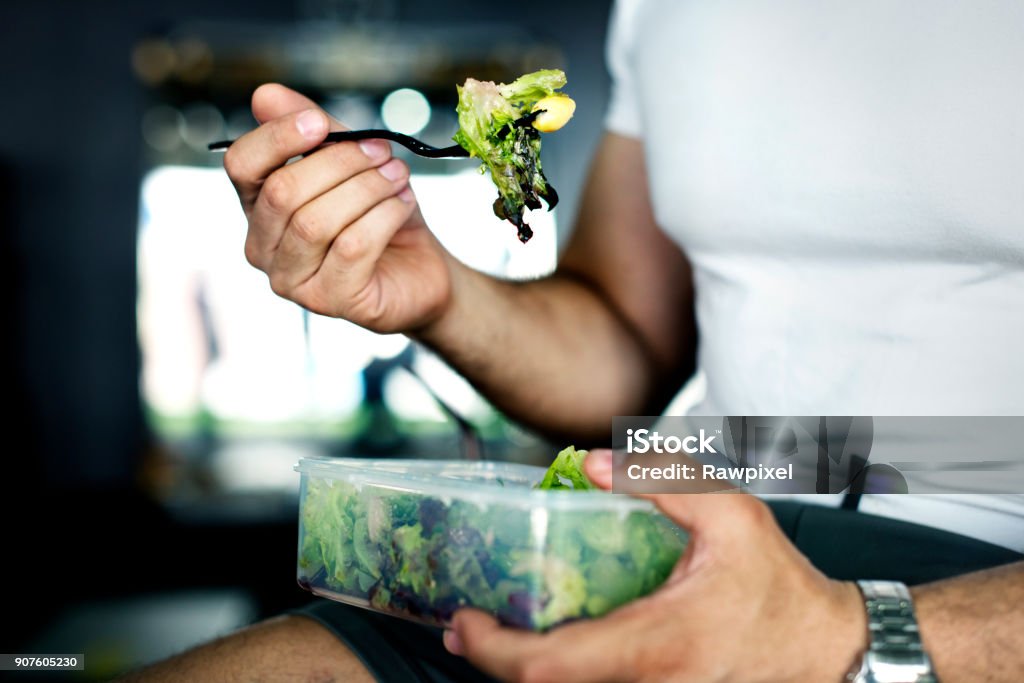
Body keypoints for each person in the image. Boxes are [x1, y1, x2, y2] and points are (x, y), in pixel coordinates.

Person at [122, 1, 1024, 680]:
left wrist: (854, 638)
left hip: (973, 571)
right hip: (665, 518)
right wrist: (442, 296)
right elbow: (623, 341)